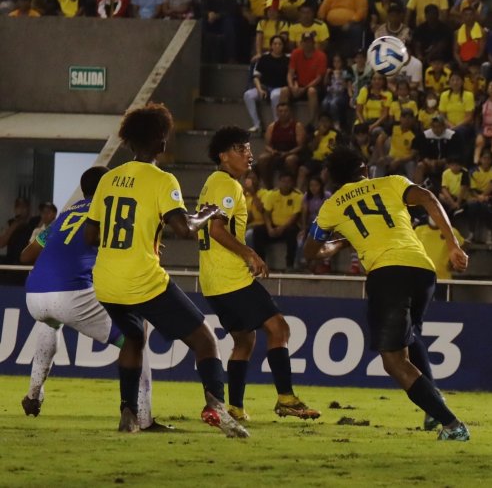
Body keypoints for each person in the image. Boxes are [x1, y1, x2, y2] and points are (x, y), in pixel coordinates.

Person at [81, 104, 247, 437]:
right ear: (161, 141)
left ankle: (128, 413)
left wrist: (140, 238)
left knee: (133, 337)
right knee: (205, 340)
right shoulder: (162, 179)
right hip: (141, 279)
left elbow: (91, 236)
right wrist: (208, 214)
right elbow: (184, 228)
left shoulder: (108, 178)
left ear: (130, 141)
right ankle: (216, 407)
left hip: (106, 281)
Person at [305, 147, 471, 441]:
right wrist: (453, 244)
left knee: (393, 361)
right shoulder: (392, 182)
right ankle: (434, 403)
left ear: (334, 178)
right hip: (422, 270)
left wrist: (338, 243)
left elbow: (311, 251)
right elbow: (429, 198)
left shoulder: (331, 206)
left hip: (387, 273)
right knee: (409, 336)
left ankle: (451, 424)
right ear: (364, 169)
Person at [198, 127, 319, 422]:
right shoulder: (226, 184)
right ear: (223, 156)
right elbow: (216, 230)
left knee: (244, 340)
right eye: (240, 149)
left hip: (212, 281)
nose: (249, 154)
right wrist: (249, 253)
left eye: (249, 148)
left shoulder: (213, 182)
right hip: (230, 277)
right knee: (279, 329)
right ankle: (286, 398)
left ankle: (235, 408)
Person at [19, 167, 155, 428]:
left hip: (34, 294)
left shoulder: (65, 215)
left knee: (50, 324)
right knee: (135, 338)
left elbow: (26, 256)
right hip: (72, 294)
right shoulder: (109, 211)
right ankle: (144, 418)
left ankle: (34, 394)